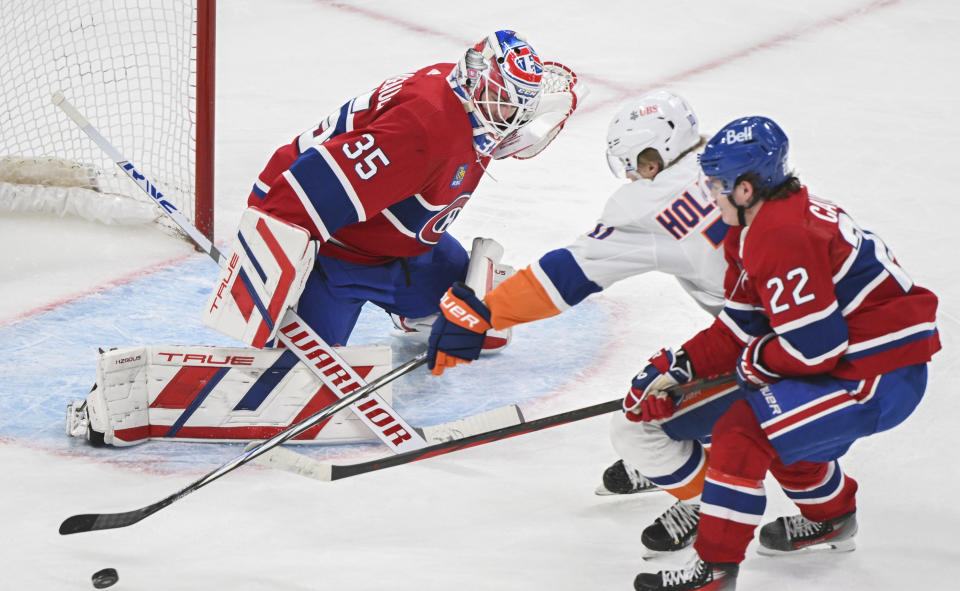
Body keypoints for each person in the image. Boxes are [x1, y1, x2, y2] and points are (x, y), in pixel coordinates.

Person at [618, 116, 941, 591]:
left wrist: (755, 363)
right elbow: (742, 325)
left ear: (745, 189)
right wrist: (681, 366)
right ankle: (833, 519)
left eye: (716, 184)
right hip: (858, 358)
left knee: (744, 431)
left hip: (880, 372)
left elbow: (816, 349)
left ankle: (715, 570)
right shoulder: (753, 227)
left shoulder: (780, 234)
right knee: (790, 440)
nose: (709, 193)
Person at [424, 90, 734, 523]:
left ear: (654, 155)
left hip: (781, 341)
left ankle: (713, 507)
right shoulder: (730, 152)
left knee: (641, 424)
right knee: (698, 379)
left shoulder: (650, 204)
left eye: (633, 164)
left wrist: (486, 313)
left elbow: (567, 275)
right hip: (821, 308)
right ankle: (681, 448)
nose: (630, 178)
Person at [242, 30, 575, 347]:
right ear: (475, 78)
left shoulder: (465, 96)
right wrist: (262, 265)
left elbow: (483, 138)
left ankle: (411, 309)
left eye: (518, 110)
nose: (508, 120)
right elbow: (312, 191)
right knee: (303, 377)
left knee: (487, 326)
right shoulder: (422, 131)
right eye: (502, 101)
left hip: (392, 244)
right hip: (326, 248)